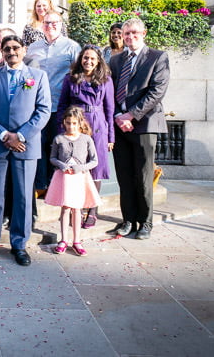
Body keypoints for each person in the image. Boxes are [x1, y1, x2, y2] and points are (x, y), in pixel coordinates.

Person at [0, 35, 51, 267]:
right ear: (2, 51)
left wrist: (19, 136)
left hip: (25, 146)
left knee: (23, 197)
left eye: (15, 48)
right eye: (7, 49)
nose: (11, 52)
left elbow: (44, 110)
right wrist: (3, 135)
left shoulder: (38, 76)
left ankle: (19, 244)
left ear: (24, 49)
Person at [108, 18, 170, 240]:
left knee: (143, 176)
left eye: (134, 33)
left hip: (145, 124)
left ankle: (145, 222)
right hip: (119, 126)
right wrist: (117, 116)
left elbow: (157, 91)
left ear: (143, 33)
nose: (130, 37)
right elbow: (109, 91)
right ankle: (127, 221)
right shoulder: (115, 61)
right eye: (126, 34)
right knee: (124, 176)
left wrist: (131, 115)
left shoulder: (157, 57)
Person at [56, 45, 115, 228]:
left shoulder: (105, 80)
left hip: (98, 126)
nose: (88, 61)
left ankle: (92, 210)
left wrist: (110, 137)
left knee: (95, 169)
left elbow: (110, 109)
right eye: (85, 58)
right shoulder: (71, 79)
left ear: (98, 61)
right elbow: (62, 105)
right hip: (76, 125)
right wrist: (62, 131)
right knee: (76, 167)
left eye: (92, 59)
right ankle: (77, 208)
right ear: (80, 59)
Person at [24, 11, 81, 193]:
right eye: (47, 23)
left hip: (60, 105)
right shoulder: (33, 48)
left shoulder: (72, 47)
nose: (51, 26)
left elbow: (78, 76)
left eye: (55, 22)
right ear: (42, 25)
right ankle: (40, 185)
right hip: (37, 106)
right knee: (38, 145)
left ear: (61, 24)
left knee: (58, 145)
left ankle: (56, 186)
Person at [45, 106, 102, 256]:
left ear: (80, 123)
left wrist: (81, 167)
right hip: (63, 177)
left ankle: (77, 240)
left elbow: (95, 161)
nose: (71, 126)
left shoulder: (86, 139)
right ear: (64, 122)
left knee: (77, 208)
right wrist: (61, 165)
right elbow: (52, 158)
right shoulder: (59, 139)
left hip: (79, 177)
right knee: (65, 208)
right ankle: (63, 240)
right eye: (68, 123)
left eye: (74, 123)